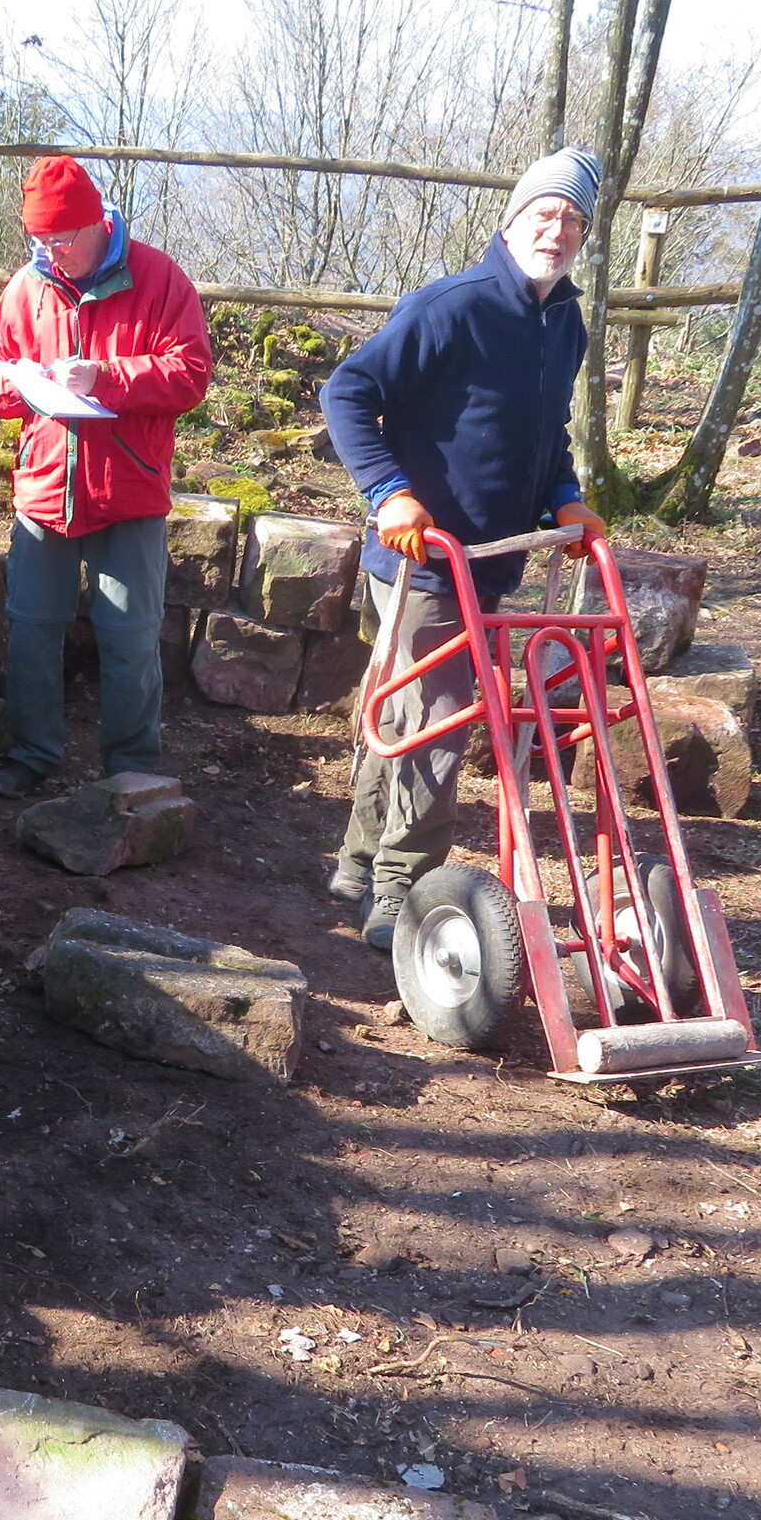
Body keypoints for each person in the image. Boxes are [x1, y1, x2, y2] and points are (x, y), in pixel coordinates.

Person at [318, 147, 611, 952]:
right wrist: (389, 492)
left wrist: (563, 496)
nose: (556, 230)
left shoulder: (565, 323)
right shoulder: (451, 307)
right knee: (438, 722)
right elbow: (347, 391)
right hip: (424, 557)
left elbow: (544, 431)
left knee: (407, 711)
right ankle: (406, 892)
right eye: (544, 214)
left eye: (573, 220)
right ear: (511, 222)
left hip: (494, 558)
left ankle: (359, 864)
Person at [0, 155, 213, 799]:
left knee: (130, 636)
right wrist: (21, 382)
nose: (52, 253)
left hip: (128, 491)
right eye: (40, 240)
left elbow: (191, 374)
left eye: (63, 239)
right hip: (45, 487)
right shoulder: (27, 286)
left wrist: (105, 378)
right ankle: (29, 755)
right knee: (31, 630)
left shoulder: (159, 278)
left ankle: (130, 770)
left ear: (97, 224)